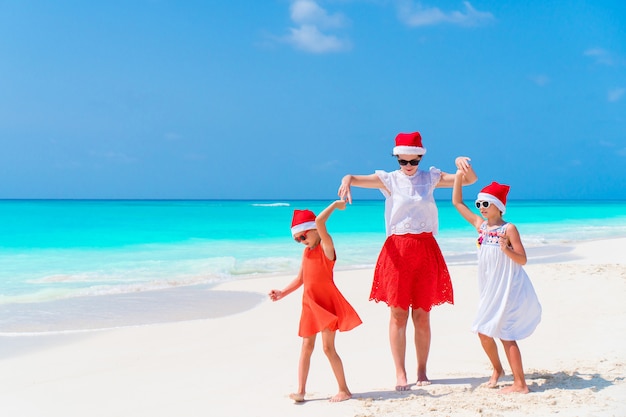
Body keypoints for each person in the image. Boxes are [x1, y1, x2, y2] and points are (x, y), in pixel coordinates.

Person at [337, 131, 477, 390]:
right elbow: (356, 178)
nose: (409, 167)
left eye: (414, 161)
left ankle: (422, 371)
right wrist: (346, 180)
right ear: (397, 159)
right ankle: (400, 373)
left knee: (422, 315)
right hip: (397, 252)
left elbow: (467, 180)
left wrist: (462, 163)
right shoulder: (389, 180)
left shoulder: (431, 178)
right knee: (398, 315)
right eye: (403, 161)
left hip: (425, 250)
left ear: (421, 158)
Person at [452, 175, 542, 394]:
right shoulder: (481, 226)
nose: (481, 208)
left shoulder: (508, 229)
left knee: (505, 333)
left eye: (485, 203)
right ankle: (498, 369)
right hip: (489, 289)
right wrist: (457, 176)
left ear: (498, 206)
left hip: (508, 288)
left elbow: (522, 259)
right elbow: (457, 203)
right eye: (479, 204)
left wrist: (506, 249)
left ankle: (520, 384)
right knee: (483, 331)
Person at [268, 200, 362, 403]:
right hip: (309, 304)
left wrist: (336, 205)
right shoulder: (306, 252)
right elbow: (301, 279)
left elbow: (320, 221)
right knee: (306, 346)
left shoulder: (326, 248)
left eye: (304, 235)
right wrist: (282, 292)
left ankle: (344, 389)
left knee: (328, 348)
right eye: (297, 239)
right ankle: (301, 391)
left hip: (326, 303)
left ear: (314, 230)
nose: (302, 240)